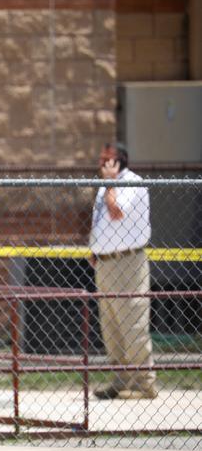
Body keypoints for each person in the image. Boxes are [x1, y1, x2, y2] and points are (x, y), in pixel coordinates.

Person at [89, 142, 156, 400]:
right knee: (112, 326)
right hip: (105, 263)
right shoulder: (108, 185)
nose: (102, 165)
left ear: (119, 162)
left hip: (128, 263)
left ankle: (144, 384)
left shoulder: (131, 183)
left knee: (133, 324)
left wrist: (110, 182)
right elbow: (101, 221)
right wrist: (95, 247)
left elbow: (116, 212)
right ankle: (121, 380)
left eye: (108, 160)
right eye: (102, 160)